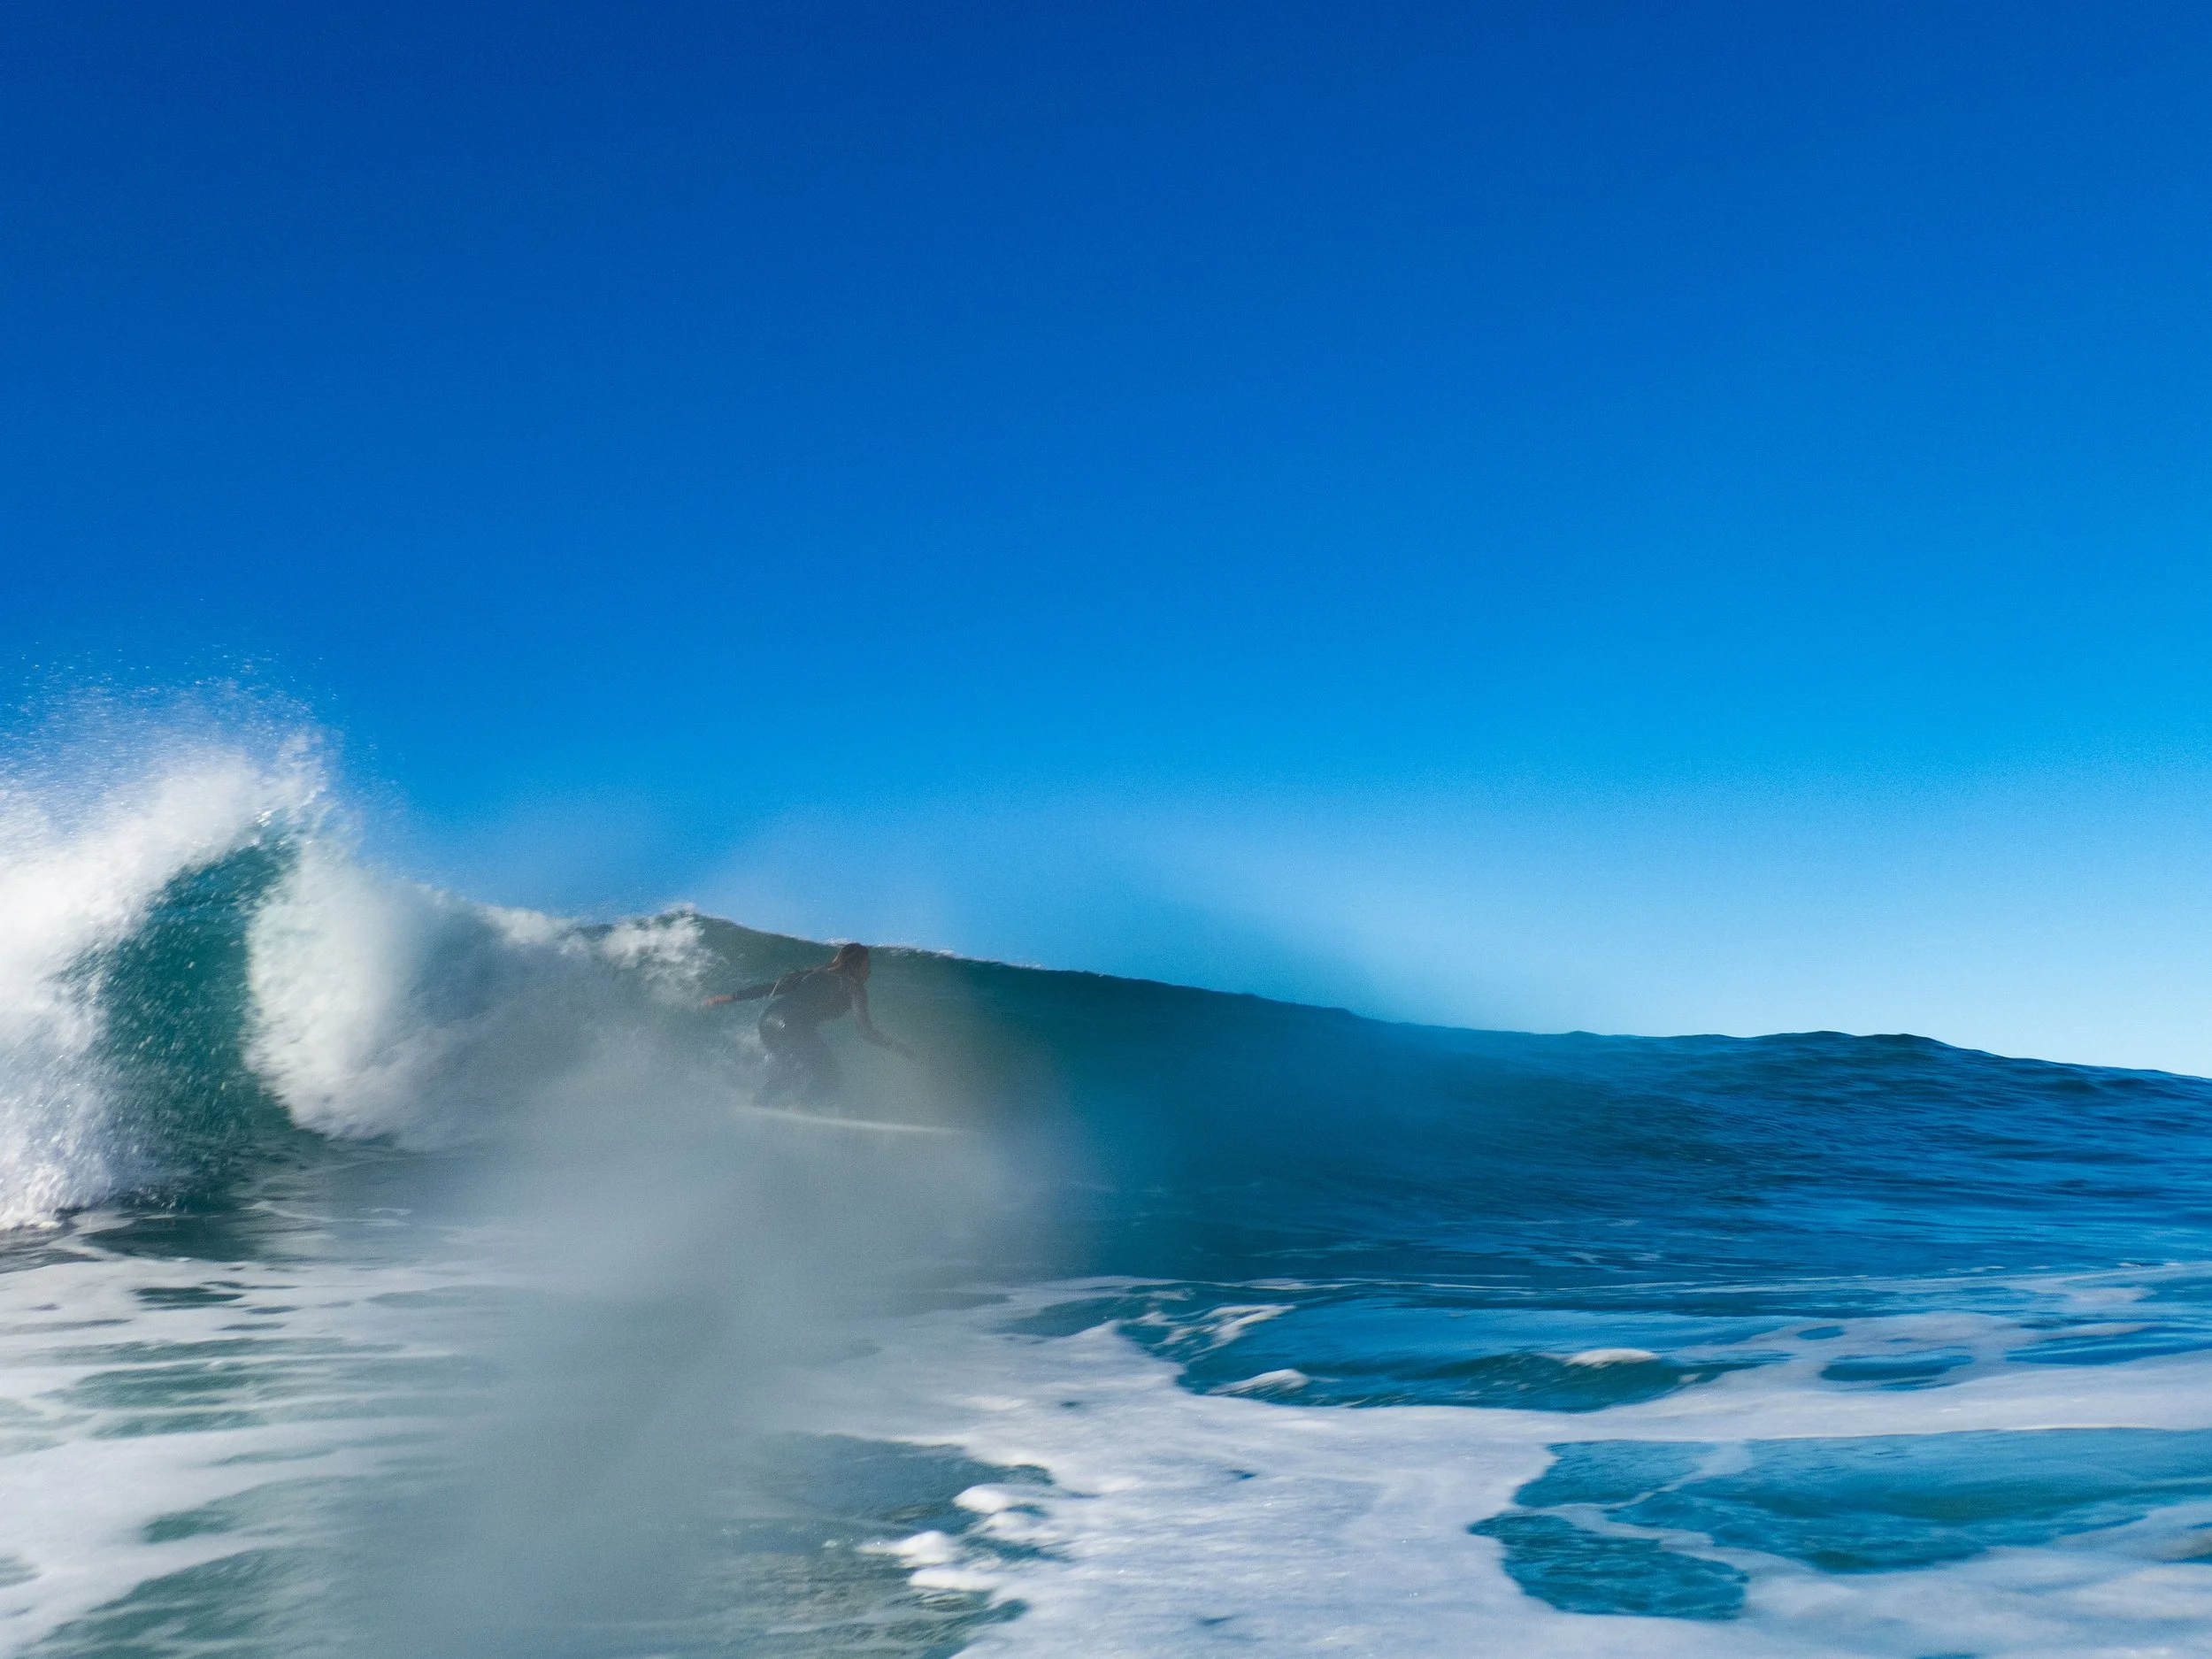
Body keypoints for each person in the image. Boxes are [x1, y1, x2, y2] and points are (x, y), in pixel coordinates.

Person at [704, 942, 913, 1104]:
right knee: (832, 1076)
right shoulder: (854, 987)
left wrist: (730, 997)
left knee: (792, 1071)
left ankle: (760, 1102)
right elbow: (865, 1031)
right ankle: (799, 1106)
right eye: (867, 966)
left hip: (769, 1020)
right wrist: (897, 1047)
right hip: (793, 1024)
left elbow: (771, 988)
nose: (869, 972)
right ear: (856, 966)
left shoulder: (814, 974)